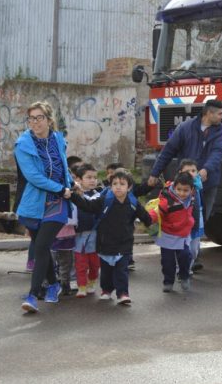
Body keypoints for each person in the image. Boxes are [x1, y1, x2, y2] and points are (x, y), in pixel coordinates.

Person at [15, 101, 74, 314]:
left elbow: (63, 165)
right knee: (42, 246)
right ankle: (55, 284)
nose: (35, 122)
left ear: (49, 120)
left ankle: (32, 296)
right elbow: (33, 176)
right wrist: (59, 188)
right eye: (31, 118)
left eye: (39, 118)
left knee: (40, 247)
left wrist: (69, 183)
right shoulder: (23, 144)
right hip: (36, 203)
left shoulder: (58, 139)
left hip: (59, 203)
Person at [70, 168, 152, 305]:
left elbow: (145, 216)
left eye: (122, 184)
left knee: (122, 271)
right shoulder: (104, 200)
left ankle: (123, 293)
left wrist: (152, 222)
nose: (118, 187)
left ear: (129, 187)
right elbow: (88, 206)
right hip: (105, 243)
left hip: (124, 243)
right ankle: (106, 290)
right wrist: (73, 196)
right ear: (110, 185)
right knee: (106, 272)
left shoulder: (133, 202)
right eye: (114, 184)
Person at [147, 99, 222, 227]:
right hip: (185, 185)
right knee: (183, 219)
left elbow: (217, 153)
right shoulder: (185, 128)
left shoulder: (221, 131)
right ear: (209, 113)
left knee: (201, 220)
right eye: (219, 114)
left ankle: (195, 245)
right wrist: (155, 173)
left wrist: (206, 169)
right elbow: (168, 150)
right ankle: (183, 245)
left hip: (208, 183)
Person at [148, 172, 196, 293]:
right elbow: (157, 211)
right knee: (167, 261)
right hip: (167, 234)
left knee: (186, 256)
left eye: (185, 190)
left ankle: (184, 276)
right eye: (179, 189)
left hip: (183, 234)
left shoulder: (192, 198)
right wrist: (147, 218)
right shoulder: (167, 200)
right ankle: (168, 281)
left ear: (192, 190)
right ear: (174, 187)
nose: (182, 193)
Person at [73, 163, 102, 298]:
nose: (92, 180)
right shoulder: (75, 196)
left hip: (96, 236)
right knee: (80, 263)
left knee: (95, 264)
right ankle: (82, 286)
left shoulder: (100, 196)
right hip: (79, 236)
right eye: (88, 177)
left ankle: (92, 281)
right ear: (78, 179)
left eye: (95, 178)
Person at [176, 159, 204, 275]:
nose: (191, 173)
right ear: (180, 172)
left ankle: (188, 267)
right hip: (182, 224)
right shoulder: (178, 188)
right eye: (188, 171)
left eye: (194, 170)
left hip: (196, 222)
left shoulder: (198, 186)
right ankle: (181, 270)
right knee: (181, 248)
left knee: (194, 250)